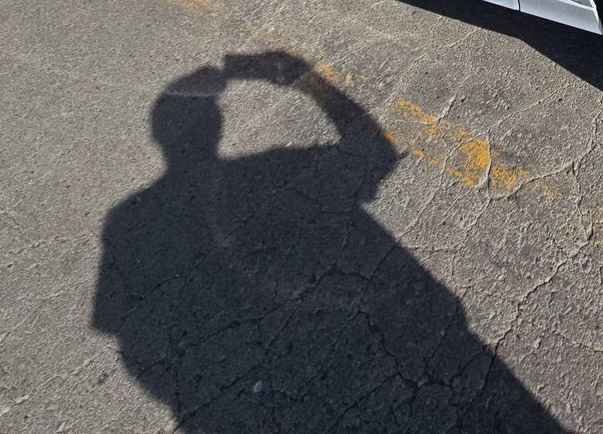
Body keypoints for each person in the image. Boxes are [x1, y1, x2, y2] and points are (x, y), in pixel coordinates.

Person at [91, 50, 565, 432]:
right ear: (214, 125)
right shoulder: (268, 168)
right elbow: (373, 150)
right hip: (410, 341)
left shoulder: (125, 218)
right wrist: (304, 79)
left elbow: (123, 331)